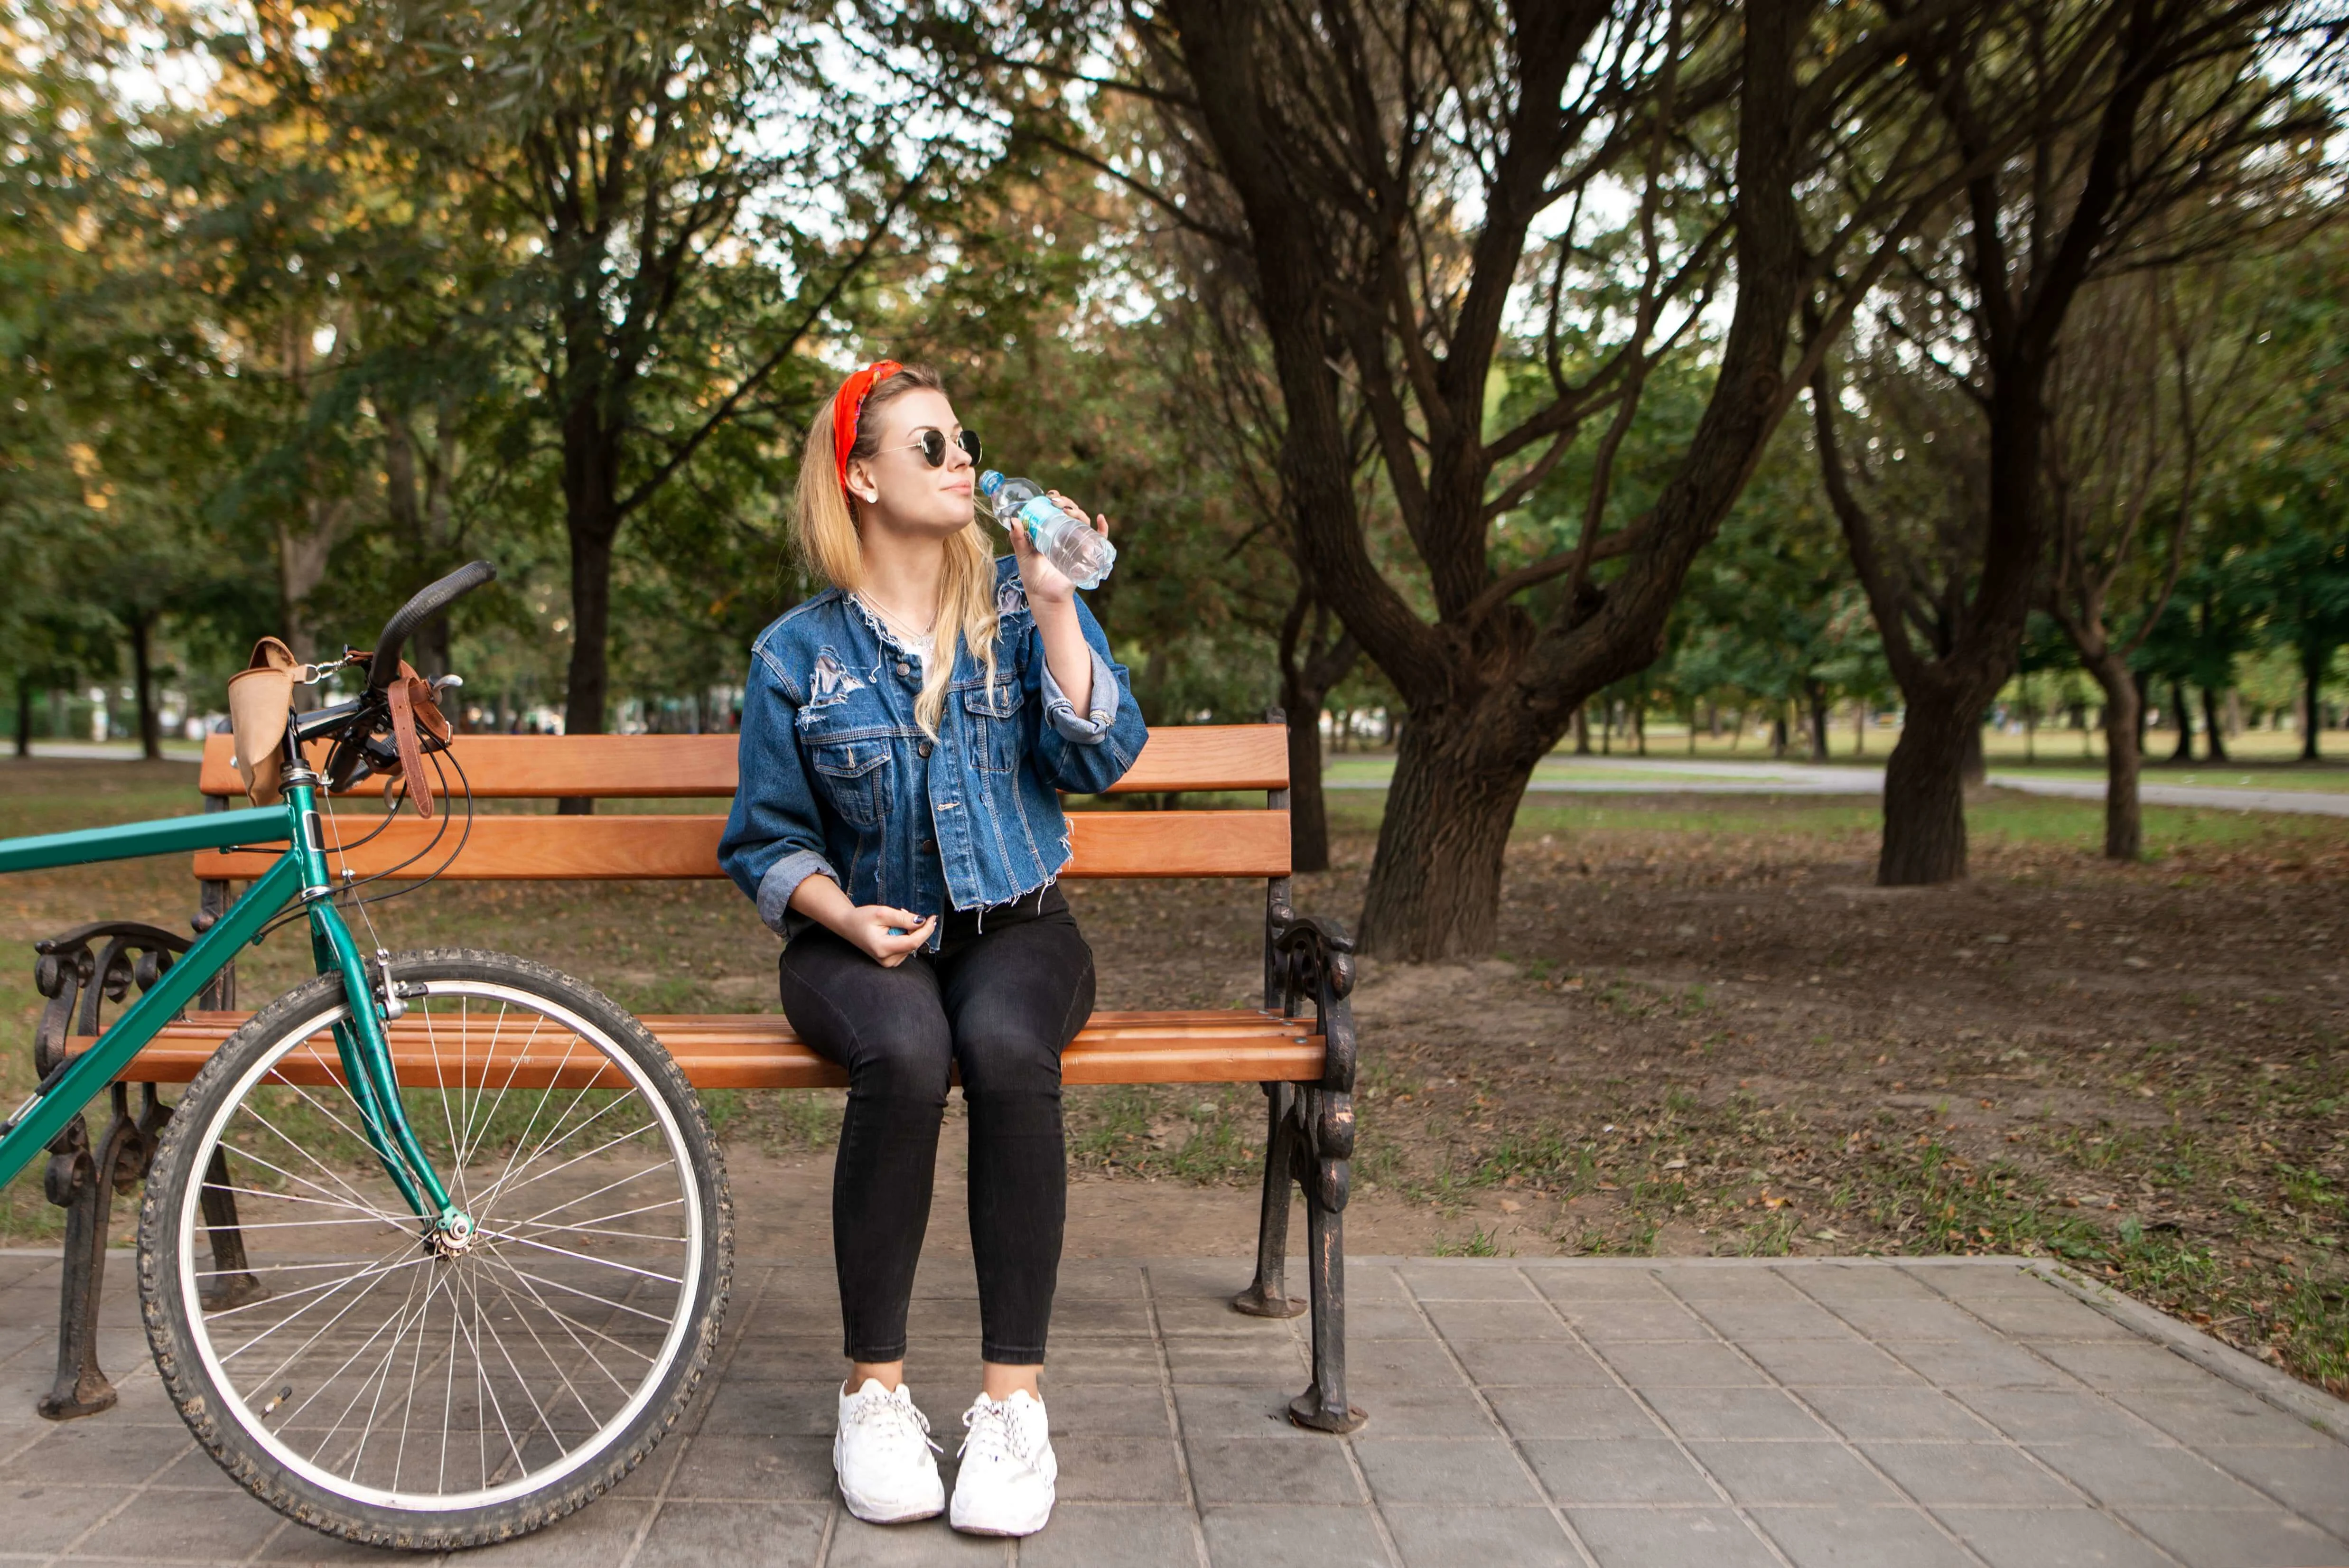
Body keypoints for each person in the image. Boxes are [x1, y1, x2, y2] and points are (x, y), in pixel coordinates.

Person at [718, 360, 1146, 1538]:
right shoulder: (795, 655)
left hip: (1020, 927)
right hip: (855, 941)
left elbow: (1102, 758)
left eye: (961, 438)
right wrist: (845, 917)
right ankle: (874, 1392)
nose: (961, 458)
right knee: (906, 1054)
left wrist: (1059, 600)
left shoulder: (1015, 604)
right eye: (928, 445)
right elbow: (762, 839)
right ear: (859, 477)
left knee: (1006, 1042)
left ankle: (1013, 1409)